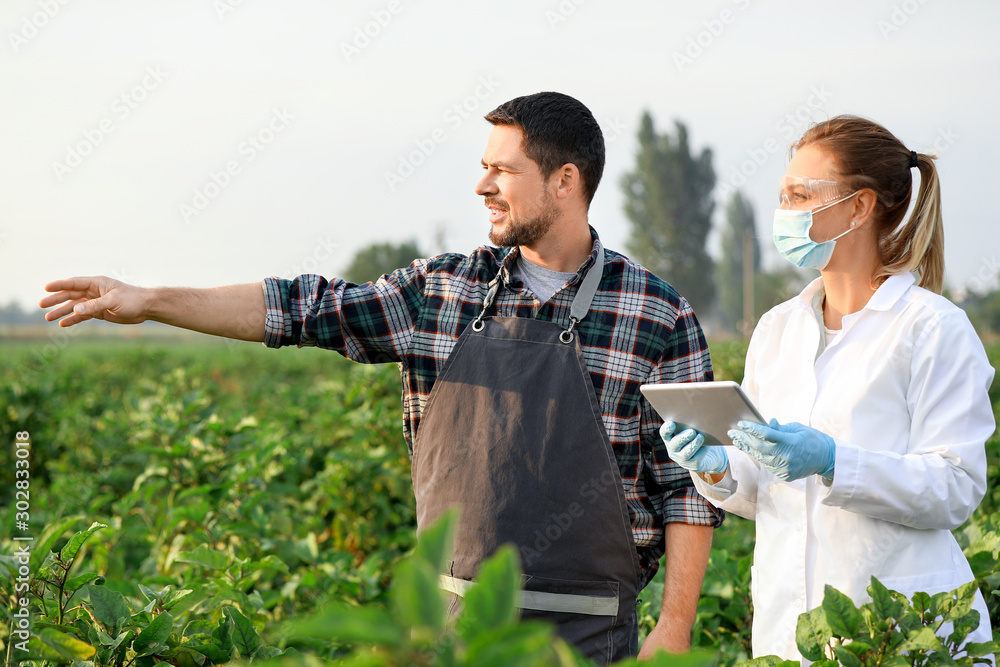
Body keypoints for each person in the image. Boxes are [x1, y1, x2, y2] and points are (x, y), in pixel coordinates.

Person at [40, 91, 724, 664]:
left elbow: (686, 489)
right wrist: (151, 300)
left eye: (502, 170)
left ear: (565, 180)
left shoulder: (657, 314)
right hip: (458, 631)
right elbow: (300, 307)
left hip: (594, 639)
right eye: (482, 167)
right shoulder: (442, 293)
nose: (482, 185)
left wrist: (675, 626)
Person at [661, 115, 995, 663]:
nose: (783, 212)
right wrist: (718, 467)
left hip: (900, 630)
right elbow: (764, 490)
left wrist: (835, 461)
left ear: (860, 206)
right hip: (788, 632)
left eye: (799, 195)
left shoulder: (930, 327)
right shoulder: (776, 330)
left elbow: (956, 487)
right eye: (782, 195)